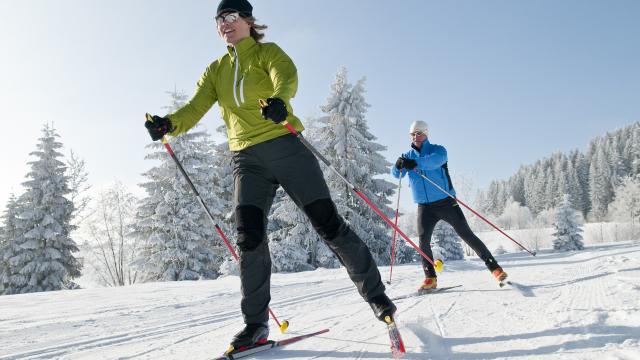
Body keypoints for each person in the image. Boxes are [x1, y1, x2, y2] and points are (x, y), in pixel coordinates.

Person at [144, 0, 395, 351]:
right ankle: (255, 326)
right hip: (246, 159)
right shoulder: (215, 70)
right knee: (249, 238)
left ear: (248, 21)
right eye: (219, 19)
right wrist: (169, 124)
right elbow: (195, 107)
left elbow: (286, 78)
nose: (225, 24)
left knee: (328, 224)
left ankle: (379, 300)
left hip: (285, 145)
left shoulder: (267, 53)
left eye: (232, 17)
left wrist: (278, 100)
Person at [391, 120, 507, 291]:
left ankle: (495, 268)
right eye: (413, 134)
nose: (416, 137)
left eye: (419, 133)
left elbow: (433, 162)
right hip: (424, 206)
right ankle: (430, 278)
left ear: (426, 134)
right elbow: (396, 175)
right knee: (423, 243)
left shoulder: (438, 150)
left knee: (466, 234)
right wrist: (398, 165)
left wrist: (415, 163)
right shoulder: (407, 155)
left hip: (445, 201)